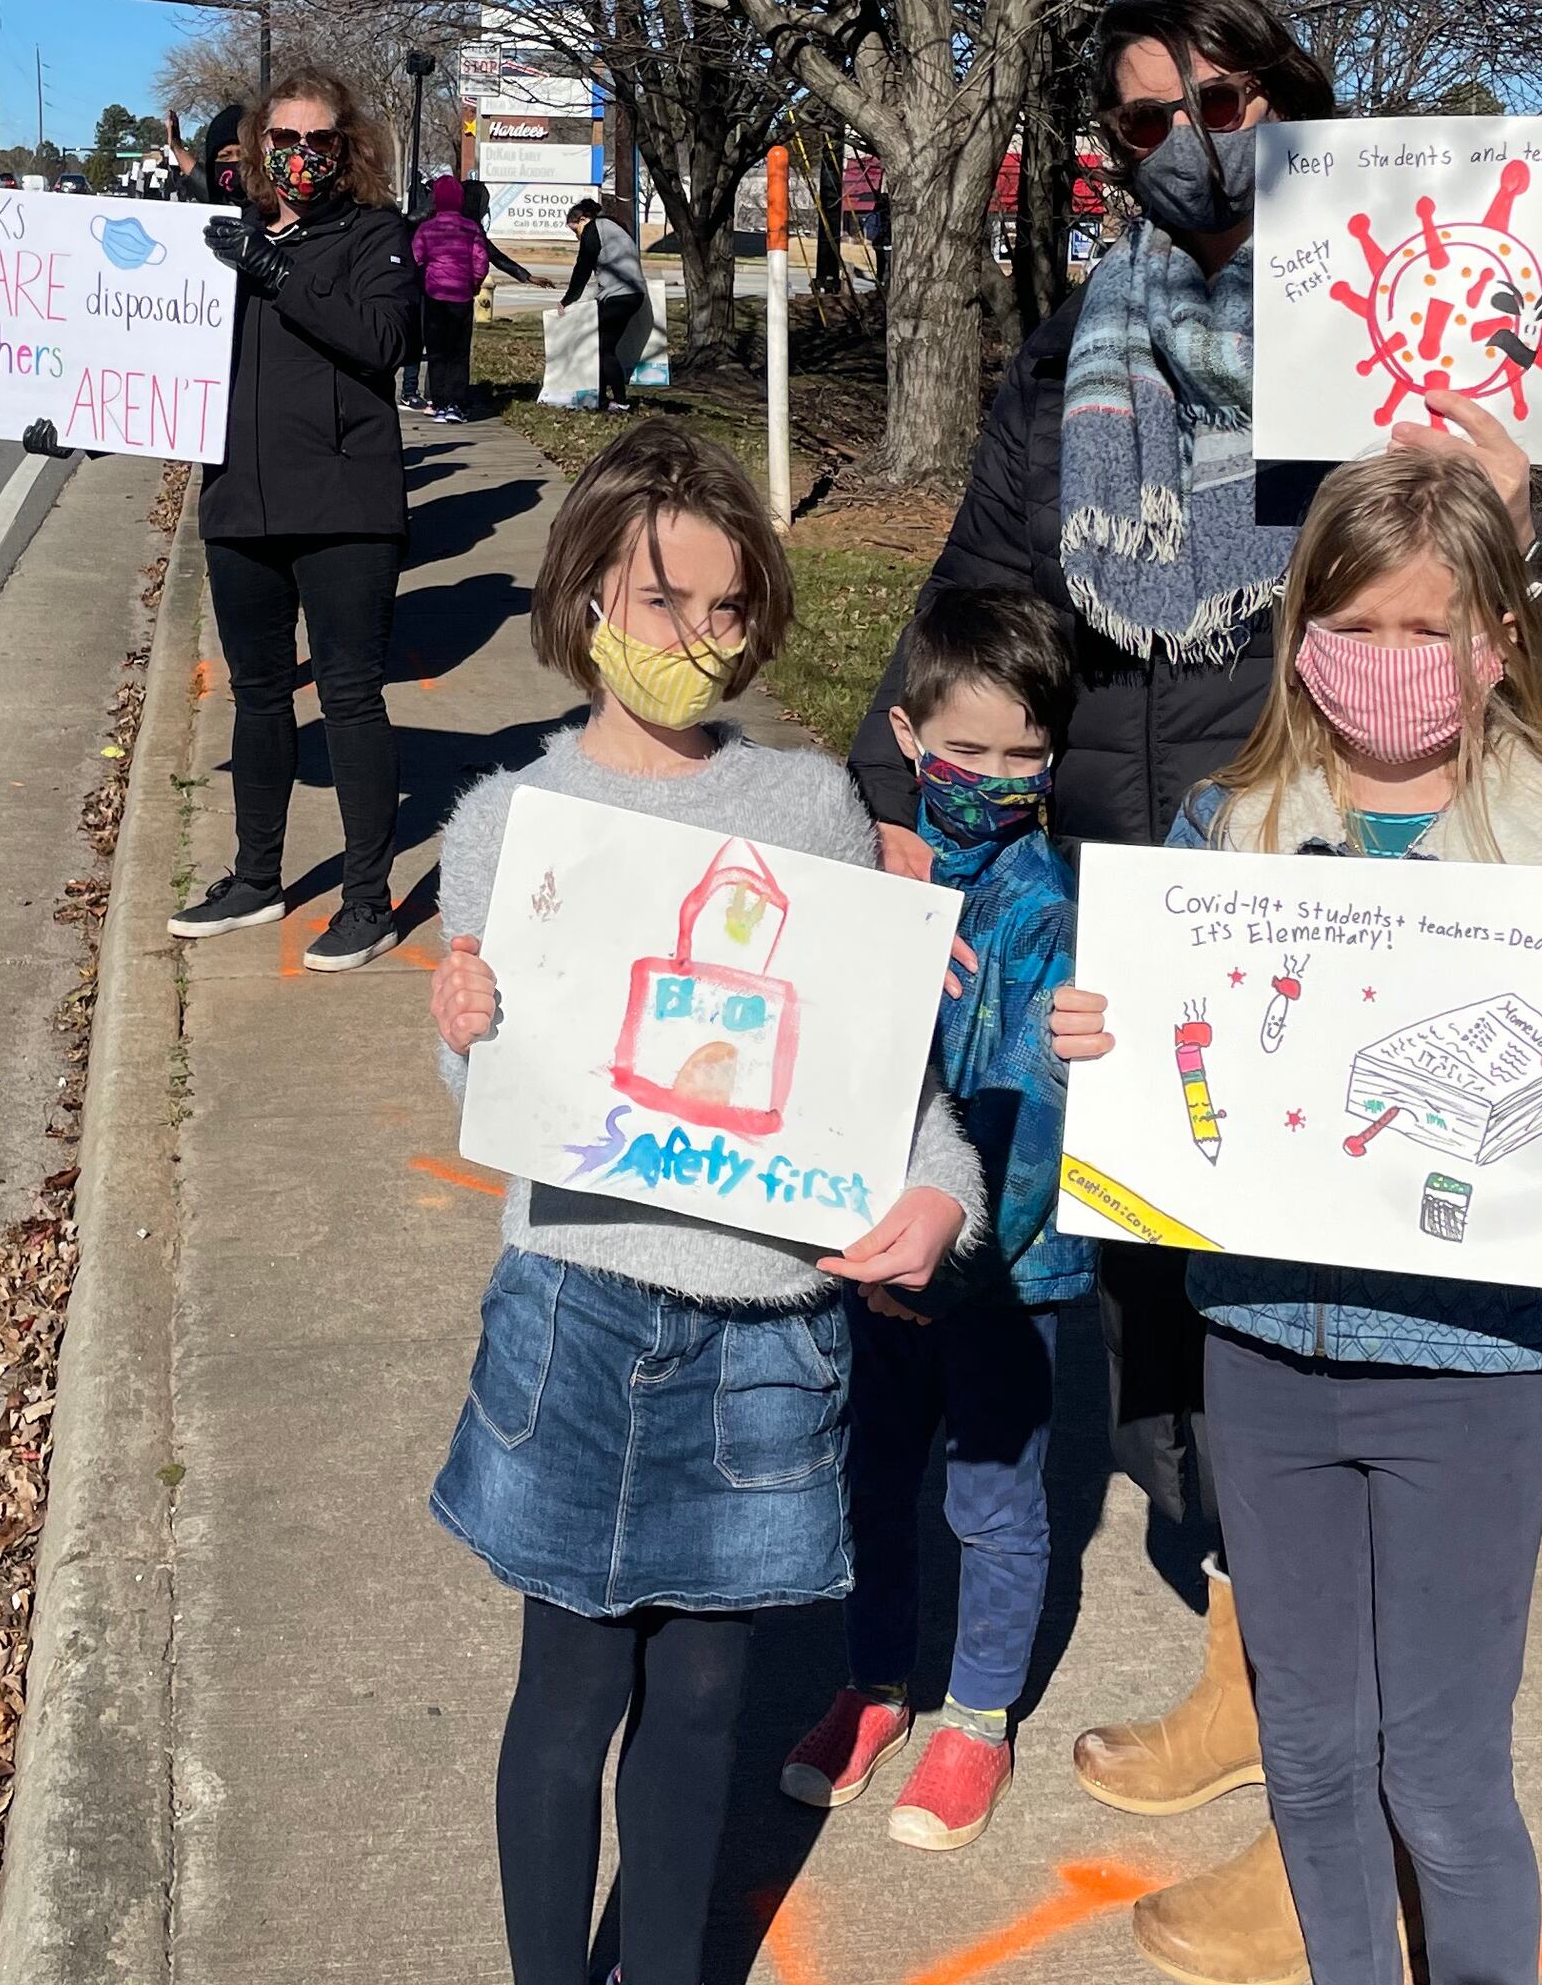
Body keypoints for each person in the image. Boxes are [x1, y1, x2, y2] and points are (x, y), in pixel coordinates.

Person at [1046, 443, 1542, 1985]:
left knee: (1447, 1777)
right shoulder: (1223, 840)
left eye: (1432, 632)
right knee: (1318, 1758)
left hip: (1466, 1379)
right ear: (1302, 635)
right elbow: (1149, 1116)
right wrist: (1095, 1052)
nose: (1393, 666)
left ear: (1498, 647)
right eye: (1359, 626)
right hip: (1263, 1367)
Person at [428, 421, 987, 1985]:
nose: (694, 638)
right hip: (576, 1322)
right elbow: (505, 1109)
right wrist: (460, 1028)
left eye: (727, 609)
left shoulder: (809, 811)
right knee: (567, 1699)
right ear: (584, 596)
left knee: (701, 1711)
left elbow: (889, 1096)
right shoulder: (501, 832)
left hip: (767, 1340)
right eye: (659, 600)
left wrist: (941, 1202)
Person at [783, 585, 1092, 1853]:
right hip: (870, 1268)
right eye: (967, 750)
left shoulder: (1050, 918)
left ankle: (977, 1716)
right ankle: (876, 1683)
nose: (997, 777)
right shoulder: (862, 879)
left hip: (1006, 1278)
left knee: (994, 1500)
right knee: (870, 1475)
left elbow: (1039, 1124)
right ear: (910, 739)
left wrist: (947, 1267)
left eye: (1027, 756)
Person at [168, 64, 421, 971]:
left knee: (350, 697)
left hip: (346, 504)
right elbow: (155, 361)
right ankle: (255, 877)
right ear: (256, 150)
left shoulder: (373, 235)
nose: (304, 156)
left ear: (344, 147)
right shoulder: (215, 242)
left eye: (321, 141)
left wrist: (277, 274)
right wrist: (71, 419)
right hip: (242, 501)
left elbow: (387, 340)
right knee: (258, 693)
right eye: (286, 141)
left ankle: (366, 899)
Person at [412, 174, 539, 419]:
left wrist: (425, 281)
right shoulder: (471, 228)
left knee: (437, 351)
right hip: (461, 295)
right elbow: (481, 262)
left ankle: (438, 402)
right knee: (459, 351)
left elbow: (417, 258)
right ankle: (456, 405)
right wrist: (473, 285)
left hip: (434, 295)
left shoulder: (426, 229)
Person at [563, 194, 651, 406]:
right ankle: (600, 397)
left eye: (575, 230)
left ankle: (620, 402)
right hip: (630, 293)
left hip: (620, 296)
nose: (577, 237)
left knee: (603, 349)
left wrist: (568, 300)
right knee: (602, 346)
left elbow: (583, 266)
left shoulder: (594, 229)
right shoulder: (612, 226)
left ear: (583, 219)